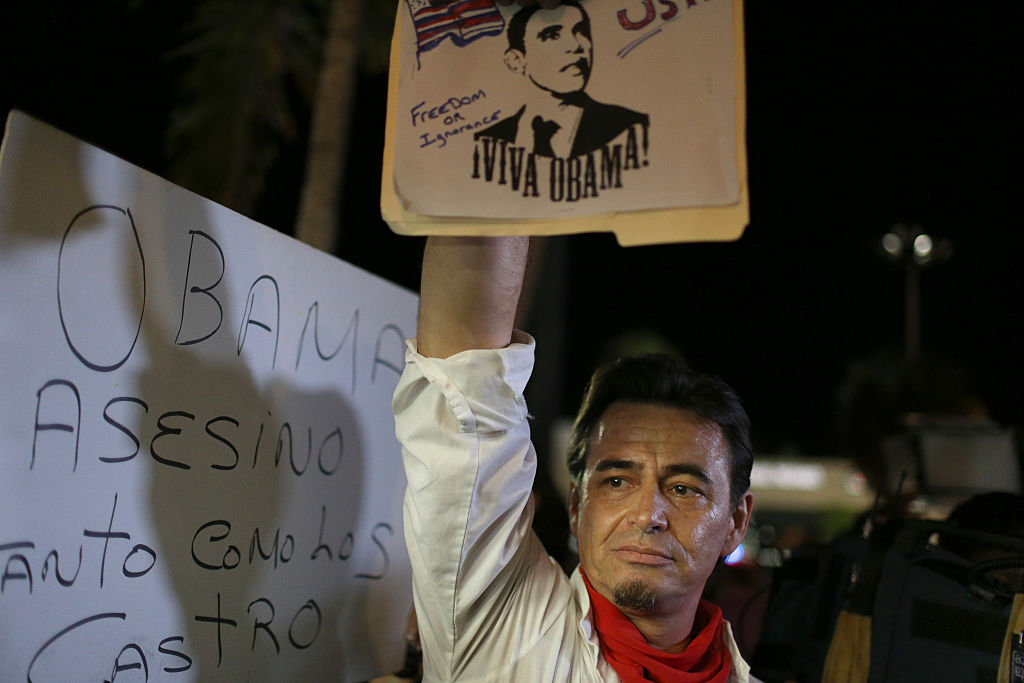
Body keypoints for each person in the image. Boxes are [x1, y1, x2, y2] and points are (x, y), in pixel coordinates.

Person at [393, 235, 756, 681]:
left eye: (683, 489)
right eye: (617, 482)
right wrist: (491, 182)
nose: (647, 515)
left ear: (736, 522)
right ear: (575, 506)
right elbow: (464, 384)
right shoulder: (500, 626)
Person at [474, 1, 649, 158]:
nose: (579, 45)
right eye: (552, 35)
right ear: (516, 61)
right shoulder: (488, 141)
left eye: (582, 32)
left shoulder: (629, 126)